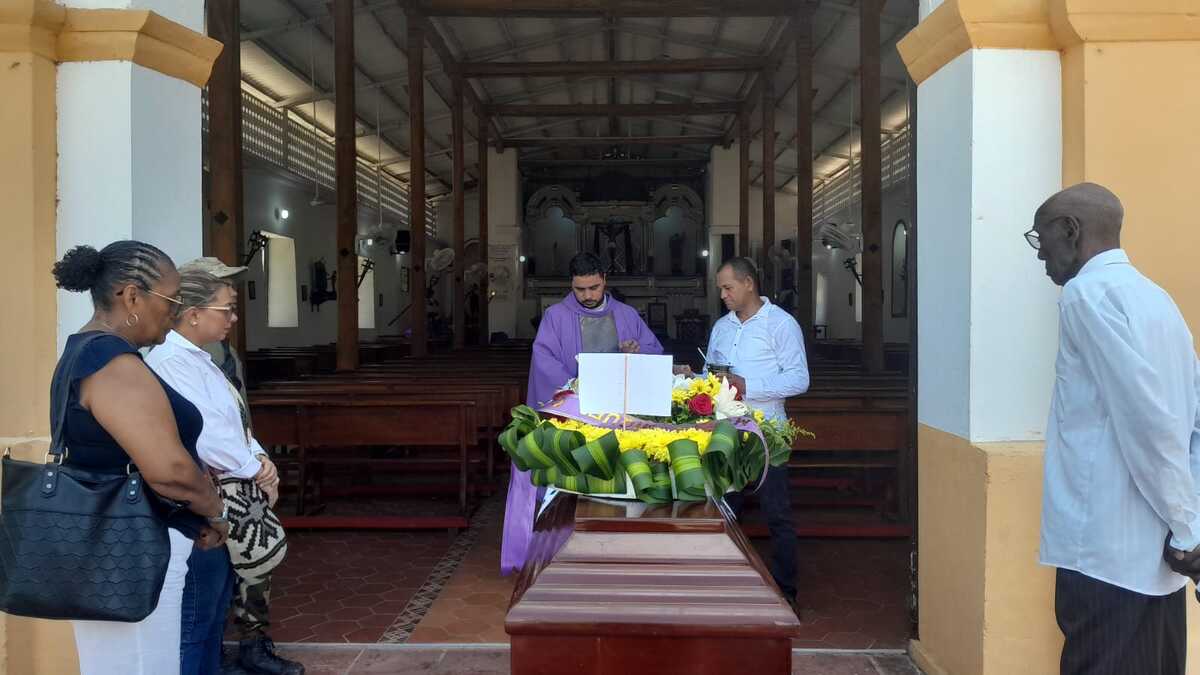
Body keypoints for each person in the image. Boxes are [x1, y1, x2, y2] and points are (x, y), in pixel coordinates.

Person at [1029, 183, 1200, 675]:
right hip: (1157, 555)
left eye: (1041, 238)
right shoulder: (1156, 296)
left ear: (1070, 230)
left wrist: (1188, 526)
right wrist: (1187, 521)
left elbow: (1146, 421)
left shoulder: (1086, 295)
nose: (1040, 254)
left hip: (1104, 549)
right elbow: (1191, 420)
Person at [51, 241, 229, 675]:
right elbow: (168, 470)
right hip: (129, 547)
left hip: (108, 540)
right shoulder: (110, 361)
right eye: (171, 300)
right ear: (132, 296)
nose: (175, 311)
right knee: (142, 664)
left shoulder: (86, 351)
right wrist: (213, 510)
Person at [147, 268, 303, 675]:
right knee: (200, 609)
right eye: (226, 310)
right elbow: (205, 435)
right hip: (202, 498)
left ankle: (220, 661)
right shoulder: (170, 361)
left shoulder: (202, 360)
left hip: (229, 487)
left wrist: (260, 461)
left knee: (215, 601)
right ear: (194, 313)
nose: (233, 318)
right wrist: (254, 467)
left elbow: (235, 420)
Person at [501, 252, 663, 574]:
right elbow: (544, 362)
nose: (588, 296)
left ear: (605, 279)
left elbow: (653, 354)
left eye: (594, 287)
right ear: (571, 285)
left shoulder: (628, 315)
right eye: (580, 290)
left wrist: (635, 353)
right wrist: (579, 387)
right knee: (569, 482)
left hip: (619, 419)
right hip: (574, 416)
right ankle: (562, 552)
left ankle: (617, 552)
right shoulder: (555, 317)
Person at [707, 257, 808, 607]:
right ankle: (725, 583)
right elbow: (713, 375)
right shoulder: (721, 326)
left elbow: (799, 379)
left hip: (767, 432)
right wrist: (700, 377)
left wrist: (748, 385)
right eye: (721, 288)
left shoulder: (781, 324)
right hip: (726, 430)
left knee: (776, 512)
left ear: (749, 283)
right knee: (724, 509)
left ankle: (785, 592)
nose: (722, 294)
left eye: (728, 287)